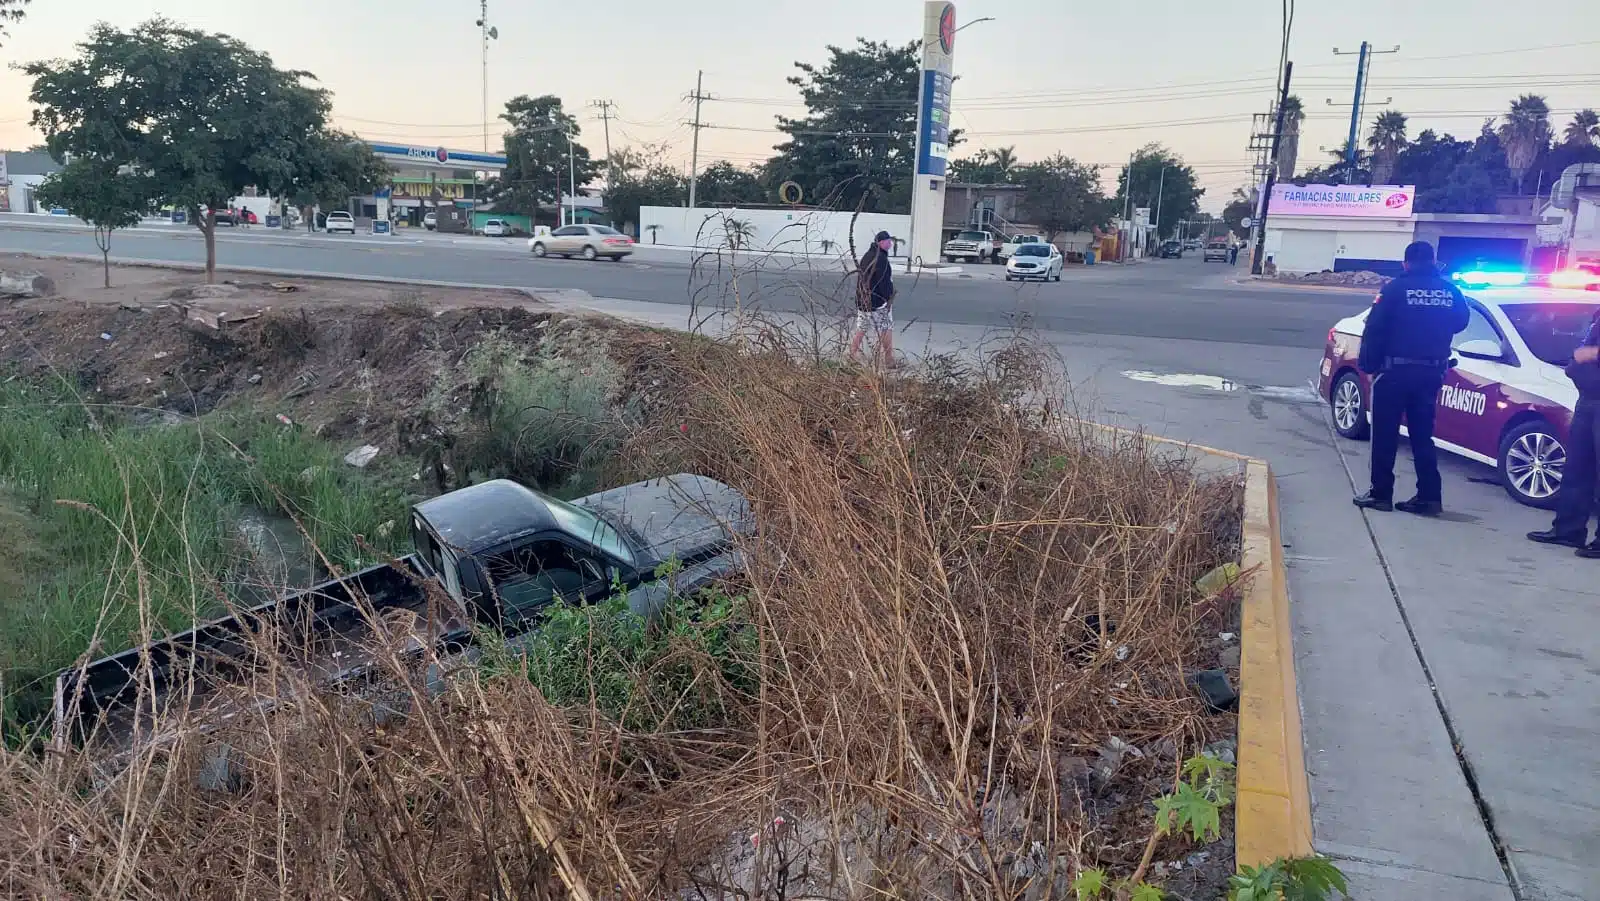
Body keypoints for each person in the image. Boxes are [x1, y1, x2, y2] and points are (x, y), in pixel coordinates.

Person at [1353, 241, 1471, 516]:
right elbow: (1461, 322)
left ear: (1406, 263)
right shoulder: (1450, 290)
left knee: (1384, 435)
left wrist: (1369, 365)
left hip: (1394, 372)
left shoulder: (1395, 289)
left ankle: (1381, 493)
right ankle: (1429, 497)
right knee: (1422, 437)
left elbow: (1374, 328)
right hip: (1432, 372)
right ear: (1433, 261)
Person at [1527, 305, 1600, 557]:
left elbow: (1588, 352)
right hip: (1588, 400)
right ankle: (1568, 530)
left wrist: (1592, 354)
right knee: (1577, 470)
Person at [849, 230, 896, 366]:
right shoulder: (881, 259)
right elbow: (883, 282)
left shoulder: (868, 255)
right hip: (877, 302)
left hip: (863, 300)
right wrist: (888, 298)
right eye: (888, 241)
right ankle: (888, 359)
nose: (890, 244)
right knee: (886, 327)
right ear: (881, 243)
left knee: (862, 326)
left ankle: (852, 353)